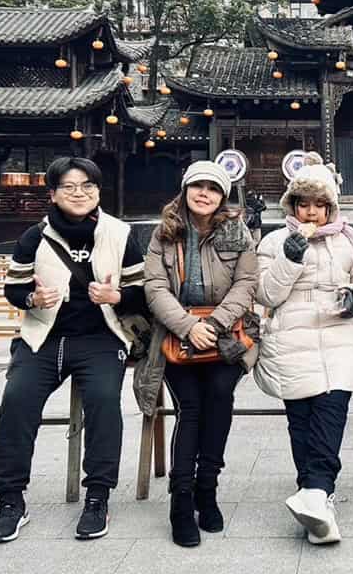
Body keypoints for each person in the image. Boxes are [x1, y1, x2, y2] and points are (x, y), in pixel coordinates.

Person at [0, 157, 146, 543]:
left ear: (98, 191)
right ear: (53, 194)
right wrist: (32, 299)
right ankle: (10, 498)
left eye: (87, 186)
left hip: (101, 338)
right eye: (69, 187)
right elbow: (13, 288)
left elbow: (141, 292)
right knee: (17, 400)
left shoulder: (120, 234)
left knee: (105, 402)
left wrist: (116, 296)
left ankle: (98, 496)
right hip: (43, 337)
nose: (79, 193)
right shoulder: (34, 237)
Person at [254, 152, 353, 545]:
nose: (311, 212)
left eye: (319, 205)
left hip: (339, 333)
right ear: (292, 206)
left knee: (331, 411)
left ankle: (316, 491)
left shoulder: (351, 241)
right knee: (302, 420)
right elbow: (266, 294)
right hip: (291, 335)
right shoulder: (274, 241)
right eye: (304, 204)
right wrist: (290, 258)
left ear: (330, 207)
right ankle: (316, 496)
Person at [139, 161, 258, 547]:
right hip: (177, 333)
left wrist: (215, 323)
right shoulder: (164, 232)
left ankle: (207, 489)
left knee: (220, 396)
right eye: (197, 186)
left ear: (223, 196)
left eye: (213, 188)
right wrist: (189, 325)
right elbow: (155, 287)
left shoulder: (237, 230)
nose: (204, 194)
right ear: (185, 189)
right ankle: (181, 499)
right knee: (189, 407)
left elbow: (246, 283)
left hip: (227, 333)